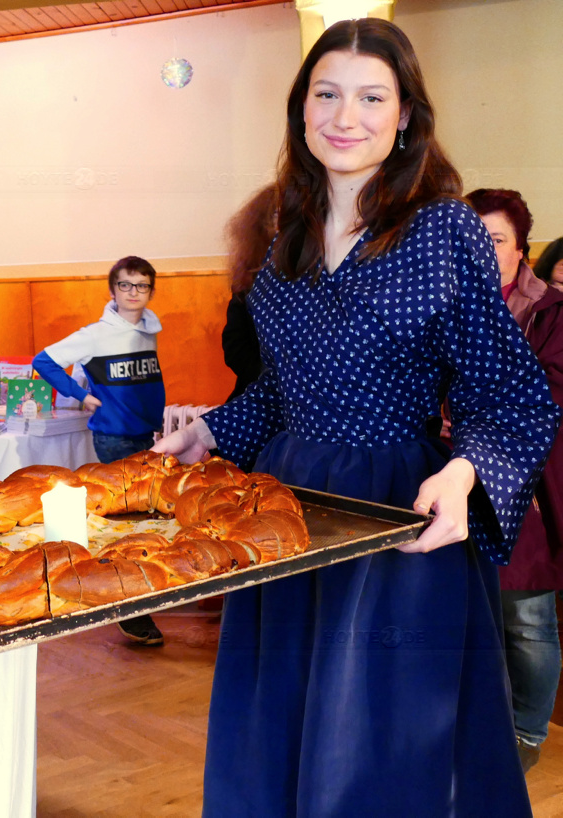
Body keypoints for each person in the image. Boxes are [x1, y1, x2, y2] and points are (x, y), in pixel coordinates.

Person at [153, 21, 558, 816]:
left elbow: (513, 394)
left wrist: (465, 471)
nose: (347, 115)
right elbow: (281, 388)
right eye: (327, 93)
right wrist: (212, 431)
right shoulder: (284, 236)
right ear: (301, 109)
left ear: (405, 114)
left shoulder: (443, 230)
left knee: (378, 745)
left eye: (373, 96)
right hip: (284, 512)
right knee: (277, 724)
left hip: (393, 514)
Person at [467, 187, 563, 771]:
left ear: (521, 250)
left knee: (527, 617)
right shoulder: (443, 306)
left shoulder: (549, 313)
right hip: (450, 481)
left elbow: (548, 400)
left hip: (524, 484)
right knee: (469, 611)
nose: (483, 250)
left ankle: (527, 732)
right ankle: (482, 722)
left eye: (495, 239)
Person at [32, 256, 168, 646]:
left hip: (145, 436)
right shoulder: (95, 334)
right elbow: (45, 360)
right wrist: (80, 395)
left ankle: (138, 598)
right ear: (112, 291)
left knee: (145, 525)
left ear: (150, 291)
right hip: (114, 439)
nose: (133, 293)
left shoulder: (149, 329)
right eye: (125, 285)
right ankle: (130, 610)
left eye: (142, 286)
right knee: (128, 528)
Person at [220, 185, 277, 402]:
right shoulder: (249, 279)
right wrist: (268, 378)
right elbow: (235, 346)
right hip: (259, 394)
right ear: (263, 224)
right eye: (278, 215)